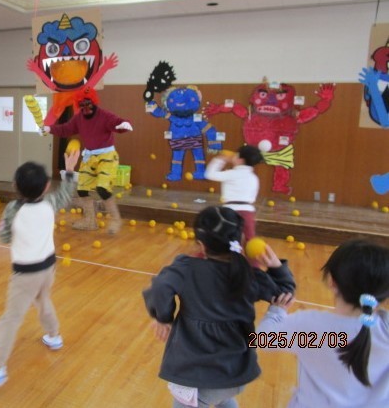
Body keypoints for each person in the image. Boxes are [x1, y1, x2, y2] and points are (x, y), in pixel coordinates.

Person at [142, 206, 295, 408]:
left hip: (198, 377)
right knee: (223, 398)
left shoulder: (186, 268)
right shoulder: (249, 275)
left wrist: (163, 317)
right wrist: (276, 266)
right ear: (241, 240)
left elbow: (161, 287)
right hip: (237, 373)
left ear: (201, 245)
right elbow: (285, 293)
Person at [0, 150, 80, 394]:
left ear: (15, 186)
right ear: (46, 186)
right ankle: (54, 335)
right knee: (43, 300)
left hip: (25, 274)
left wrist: (10, 231)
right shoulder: (50, 202)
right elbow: (66, 193)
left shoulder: (13, 209)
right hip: (48, 267)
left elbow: (4, 236)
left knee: (10, 319)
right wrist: (69, 171)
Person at [257, 239, 389, 408]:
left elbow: (263, 339)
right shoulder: (385, 330)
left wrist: (276, 312)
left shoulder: (311, 327)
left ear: (332, 281)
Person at [43, 87, 132, 234]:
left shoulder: (104, 115)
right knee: (82, 189)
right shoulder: (79, 118)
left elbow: (117, 123)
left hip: (107, 157)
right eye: (82, 105)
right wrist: (49, 129)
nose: (86, 108)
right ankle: (90, 221)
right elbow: (66, 129)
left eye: (88, 104)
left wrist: (124, 125)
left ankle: (116, 220)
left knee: (102, 188)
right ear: (78, 105)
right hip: (89, 158)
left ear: (94, 102)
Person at [204, 145, 264, 245]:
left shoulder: (231, 173)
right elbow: (252, 197)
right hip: (248, 212)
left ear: (240, 160)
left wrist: (221, 159)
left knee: (225, 240)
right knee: (250, 242)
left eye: (236, 155)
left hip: (229, 211)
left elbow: (209, 174)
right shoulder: (254, 178)